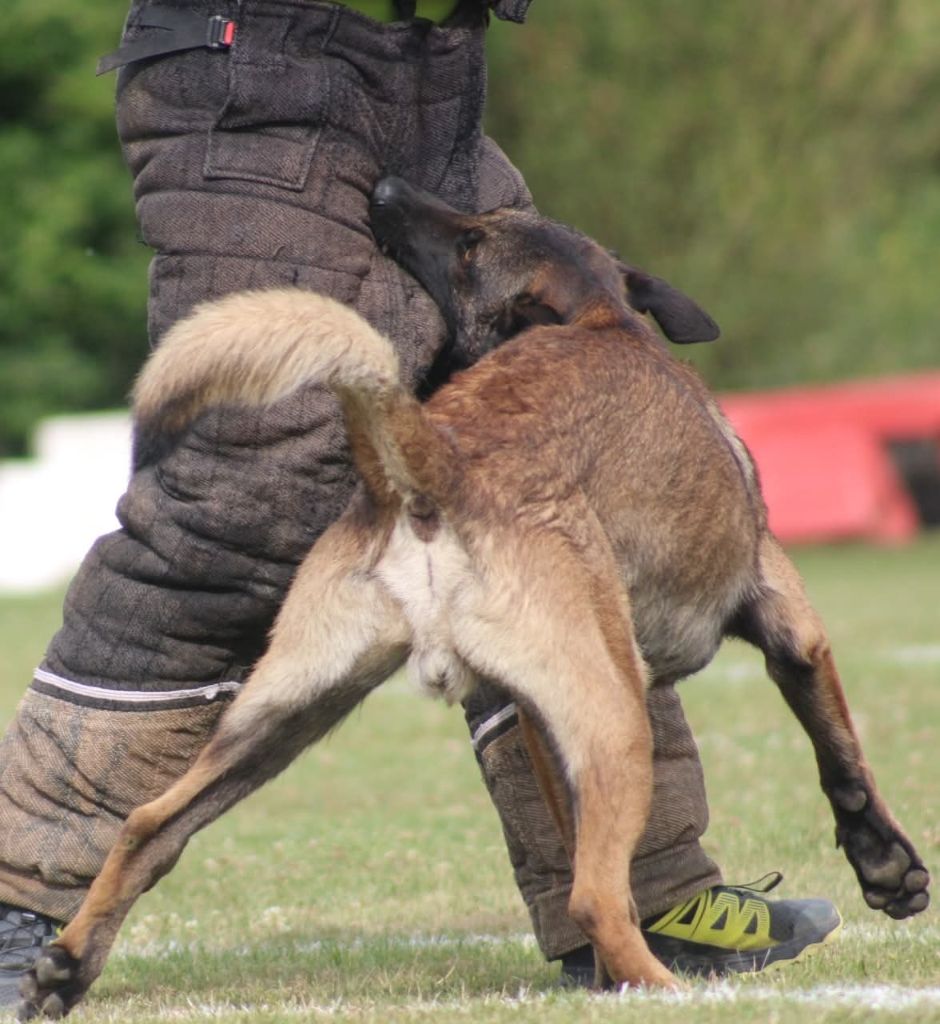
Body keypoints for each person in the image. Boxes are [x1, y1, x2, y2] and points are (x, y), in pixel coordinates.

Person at [0, 0, 841, 1005]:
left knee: (558, 471)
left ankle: (637, 894)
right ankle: (20, 889)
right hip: (260, 71)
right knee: (249, 494)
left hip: (430, 71)